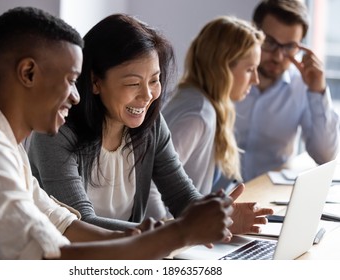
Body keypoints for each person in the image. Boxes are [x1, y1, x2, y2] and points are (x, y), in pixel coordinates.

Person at [0, 7, 235, 260]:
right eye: (71, 81)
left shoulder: (2, 138)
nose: (76, 96)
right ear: (28, 73)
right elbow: (52, 256)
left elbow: (65, 225)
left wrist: (160, 236)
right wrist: (180, 233)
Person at [28, 13, 273, 232]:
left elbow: (181, 196)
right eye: (133, 83)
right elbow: (79, 225)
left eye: (154, 80)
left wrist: (220, 217)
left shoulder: (150, 125)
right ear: (95, 81)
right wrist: (174, 233)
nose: (147, 96)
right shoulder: (56, 130)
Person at [145, 16, 265, 220]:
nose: (255, 79)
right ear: (223, 67)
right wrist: (169, 236)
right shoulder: (198, 115)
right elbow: (150, 186)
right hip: (174, 239)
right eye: (249, 69)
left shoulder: (198, 100)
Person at [234, 0, 340, 181]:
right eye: (270, 42)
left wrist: (318, 91)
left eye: (289, 47)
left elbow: (325, 156)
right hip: (218, 198)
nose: (278, 56)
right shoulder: (225, 76)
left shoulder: (302, 85)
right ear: (253, 32)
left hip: (269, 197)